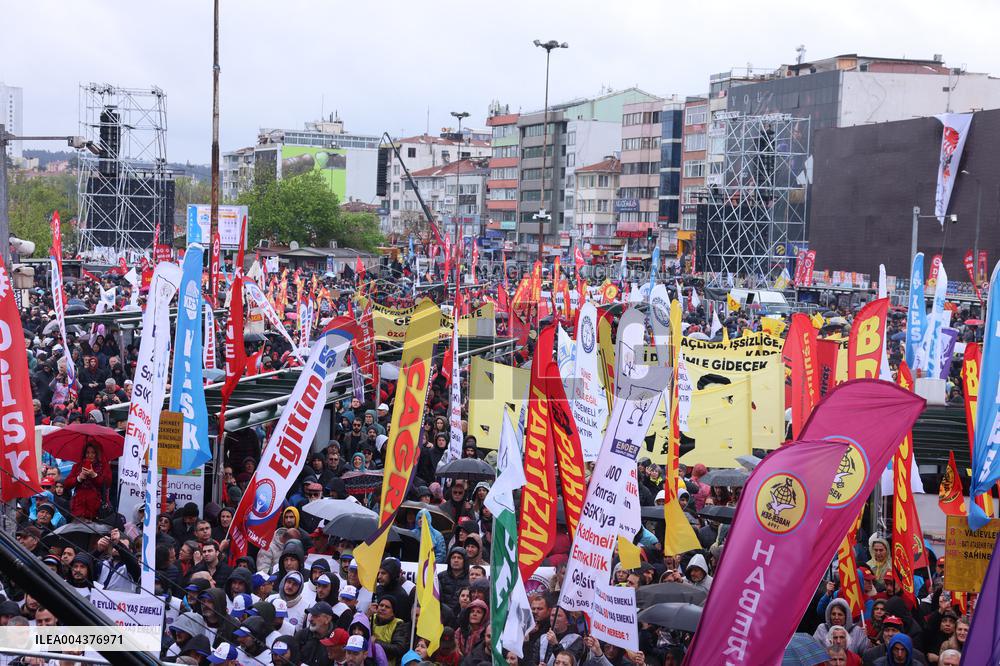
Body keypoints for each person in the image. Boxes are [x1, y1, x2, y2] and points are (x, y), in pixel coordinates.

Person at [63, 443, 111, 521]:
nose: (90, 455)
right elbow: (67, 484)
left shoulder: (103, 466)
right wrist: (79, 478)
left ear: (97, 454)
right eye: (87, 452)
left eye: (93, 452)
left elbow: (107, 484)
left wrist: (94, 475)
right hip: (78, 508)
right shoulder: (78, 466)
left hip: (95, 509)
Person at [371, 596, 410, 666]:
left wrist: (376, 642)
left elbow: (398, 649)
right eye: (381, 605)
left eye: (387, 607)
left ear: (393, 612)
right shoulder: (370, 619)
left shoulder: (399, 624)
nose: (383, 608)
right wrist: (367, 615)